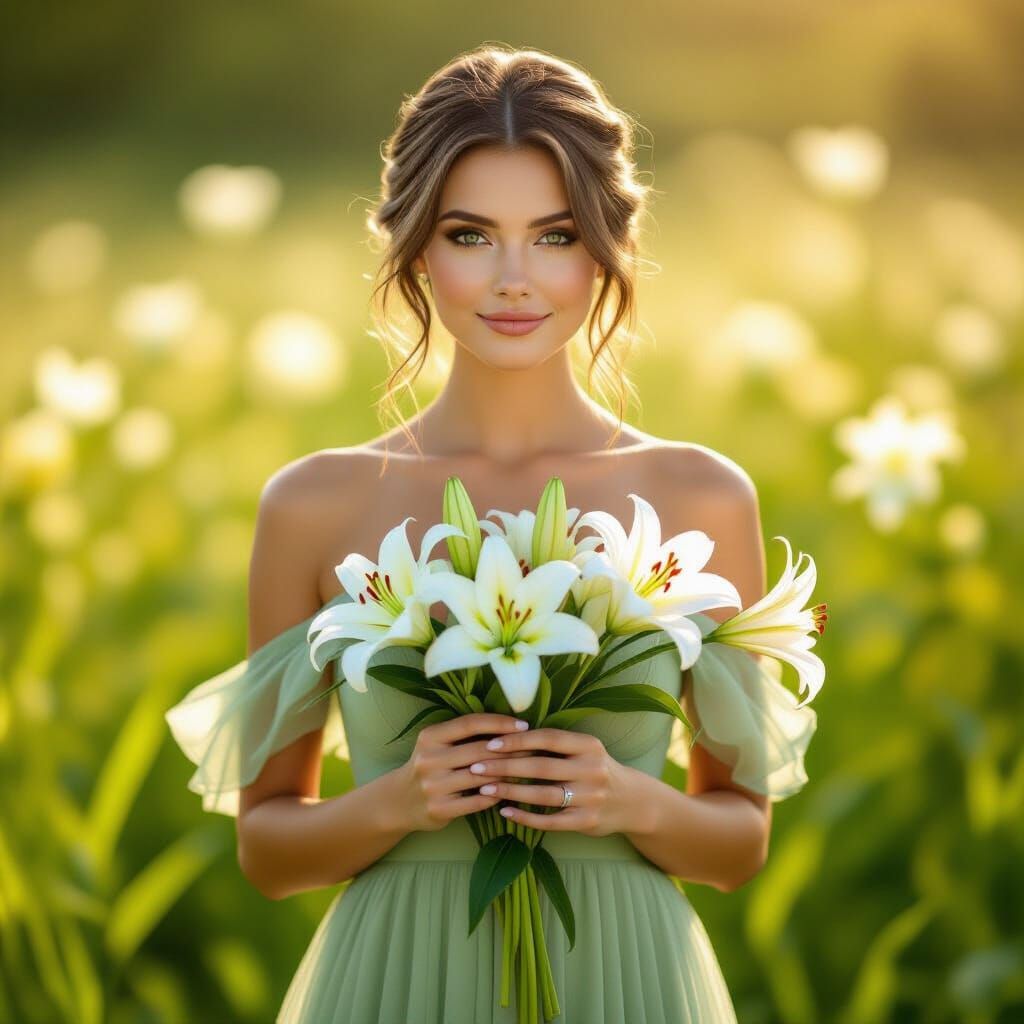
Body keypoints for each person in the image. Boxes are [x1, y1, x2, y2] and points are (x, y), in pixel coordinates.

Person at [165, 44, 818, 1023]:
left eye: (554, 236)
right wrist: (400, 799)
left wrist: (629, 801)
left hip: (628, 979)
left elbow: (737, 843)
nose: (515, 280)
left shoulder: (697, 497)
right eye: (472, 234)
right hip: (393, 980)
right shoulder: (315, 504)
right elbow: (266, 848)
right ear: (415, 247)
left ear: (606, 249)